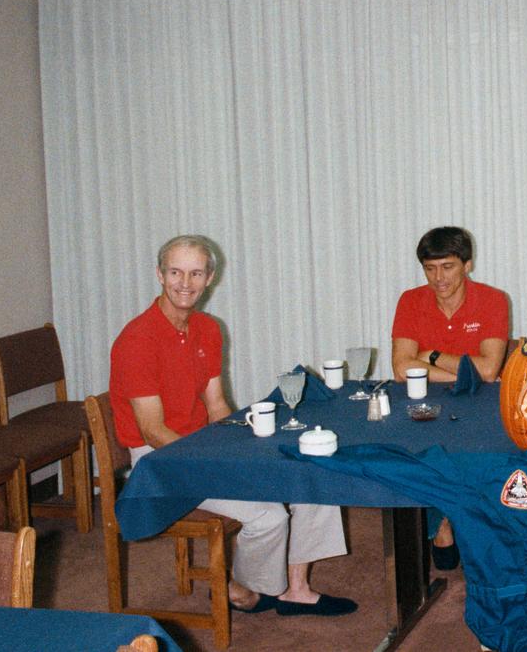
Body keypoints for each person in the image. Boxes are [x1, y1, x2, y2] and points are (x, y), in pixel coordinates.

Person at [110, 235, 356, 617]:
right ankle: (244, 591)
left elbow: (218, 405)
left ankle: (297, 589)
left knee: (312, 471)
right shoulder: (137, 340)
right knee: (270, 515)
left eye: (195, 273)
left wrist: (249, 441)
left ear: (210, 278)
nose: (185, 283)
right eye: (175, 272)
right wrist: (220, 465)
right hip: (160, 460)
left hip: (204, 443)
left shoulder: (207, 328)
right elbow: (153, 431)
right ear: (160, 275)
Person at [391, 226, 510, 569]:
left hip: (477, 402)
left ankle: (463, 521)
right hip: (424, 400)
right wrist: (464, 372)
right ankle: (441, 523)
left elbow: (489, 372)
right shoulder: (411, 300)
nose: (438, 277)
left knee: (477, 451)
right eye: (430, 268)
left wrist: (430, 356)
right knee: (417, 447)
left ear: (467, 265)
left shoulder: (492, 299)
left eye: (447, 267)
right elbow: (401, 368)